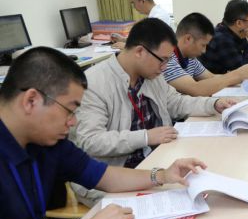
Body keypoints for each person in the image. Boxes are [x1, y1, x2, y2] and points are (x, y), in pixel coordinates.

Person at [0, 47, 206, 219]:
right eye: (70, 110)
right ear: (31, 101)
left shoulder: (46, 142)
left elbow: (104, 176)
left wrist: (162, 175)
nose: (73, 122)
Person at [71, 18, 236, 204]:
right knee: (184, 202)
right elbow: (91, 141)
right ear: (139, 51)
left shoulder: (151, 75)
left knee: (206, 180)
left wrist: (213, 104)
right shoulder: (94, 83)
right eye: (163, 60)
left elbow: (176, 102)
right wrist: (146, 137)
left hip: (153, 162)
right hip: (110, 178)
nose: (165, 67)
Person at [163, 12, 248, 97]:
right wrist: (237, 74)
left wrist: (241, 75)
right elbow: (195, 88)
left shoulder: (190, 58)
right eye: (203, 45)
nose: (204, 51)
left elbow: (211, 77)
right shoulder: (167, 60)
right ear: (188, 39)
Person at [200, 0, 248, 76]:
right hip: (213, 81)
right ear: (239, 23)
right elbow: (244, 70)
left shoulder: (237, 33)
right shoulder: (221, 39)